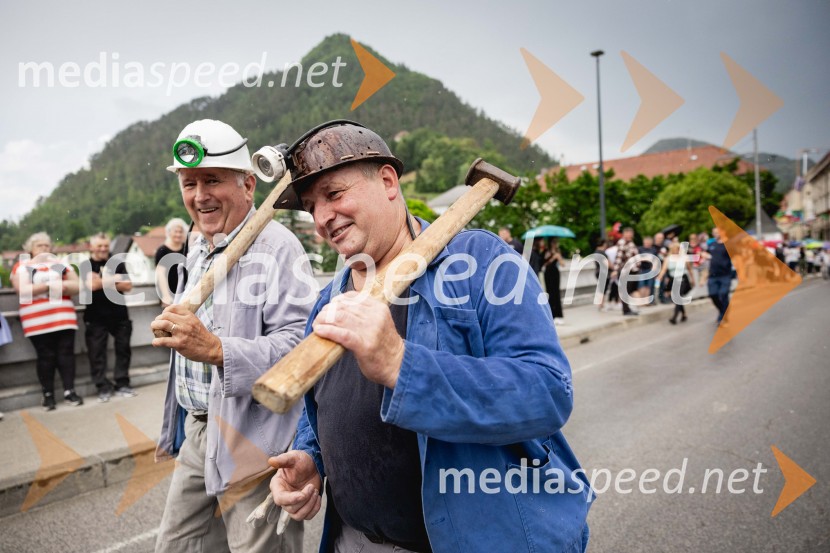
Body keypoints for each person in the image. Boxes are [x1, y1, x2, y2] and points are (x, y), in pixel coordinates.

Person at [268, 121, 591, 553]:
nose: (322, 217)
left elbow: (548, 392)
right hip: (355, 542)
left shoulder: (483, 263)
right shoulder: (329, 300)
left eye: (334, 194)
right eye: (311, 206)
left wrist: (401, 364)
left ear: (387, 182)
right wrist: (312, 457)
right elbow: (321, 406)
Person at [150, 119, 313, 552]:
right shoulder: (198, 248)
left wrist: (217, 349)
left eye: (212, 180)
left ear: (248, 185)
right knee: (177, 546)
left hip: (254, 436)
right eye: (189, 183)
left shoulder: (278, 247)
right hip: (197, 430)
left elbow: (302, 346)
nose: (199, 195)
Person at [11, 232, 83, 410]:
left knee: (66, 354)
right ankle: (48, 394)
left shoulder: (61, 264)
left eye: (47, 245)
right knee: (45, 356)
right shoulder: (22, 266)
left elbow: (78, 285)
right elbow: (23, 290)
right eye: (39, 245)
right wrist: (51, 285)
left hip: (64, 317)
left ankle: (69, 391)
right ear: (30, 249)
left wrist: (61, 286)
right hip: (36, 320)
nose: (44, 248)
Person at [84, 233, 136, 402]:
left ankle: (122, 383)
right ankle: (102, 387)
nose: (103, 249)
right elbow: (92, 285)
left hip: (119, 314)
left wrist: (102, 280)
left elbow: (127, 285)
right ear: (91, 247)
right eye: (99, 246)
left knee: (123, 350)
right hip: (95, 316)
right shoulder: (86, 264)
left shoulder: (117, 262)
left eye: (106, 245)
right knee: (97, 353)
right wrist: (115, 278)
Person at [656, 241, 695, 324]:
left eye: (678, 249)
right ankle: (684, 314)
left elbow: (690, 270)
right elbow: (663, 270)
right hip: (673, 280)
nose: (676, 251)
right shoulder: (668, 259)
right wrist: (659, 277)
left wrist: (692, 279)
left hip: (683, 279)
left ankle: (674, 317)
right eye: (675, 249)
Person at [155, 217, 188, 308]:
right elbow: (160, 273)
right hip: (169, 295)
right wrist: (166, 295)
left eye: (180, 232)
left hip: (184, 293)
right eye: (175, 231)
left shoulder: (187, 249)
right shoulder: (162, 250)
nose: (178, 234)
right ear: (169, 232)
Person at [704, 227, 733, 325]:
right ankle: (723, 311)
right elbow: (707, 255)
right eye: (714, 232)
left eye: (718, 232)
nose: (716, 234)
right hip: (713, 275)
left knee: (723, 294)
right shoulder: (711, 245)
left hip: (725, 275)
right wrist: (704, 255)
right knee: (713, 295)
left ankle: (723, 317)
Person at [611, 227, 641, 316]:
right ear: (624, 234)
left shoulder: (631, 243)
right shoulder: (622, 243)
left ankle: (627, 308)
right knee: (626, 290)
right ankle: (626, 310)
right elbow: (619, 257)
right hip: (627, 271)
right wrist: (615, 270)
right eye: (627, 234)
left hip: (633, 270)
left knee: (629, 290)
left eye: (630, 234)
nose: (629, 236)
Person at [543, 237, 565, 323]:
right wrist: (552, 258)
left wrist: (558, 257)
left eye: (556, 242)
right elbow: (544, 264)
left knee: (556, 293)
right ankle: (552, 315)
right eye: (554, 242)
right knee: (550, 293)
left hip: (555, 273)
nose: (555, 244)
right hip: (548, 273)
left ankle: (559, 315)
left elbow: (563, 264)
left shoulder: (558, 252)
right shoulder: (546, 252)